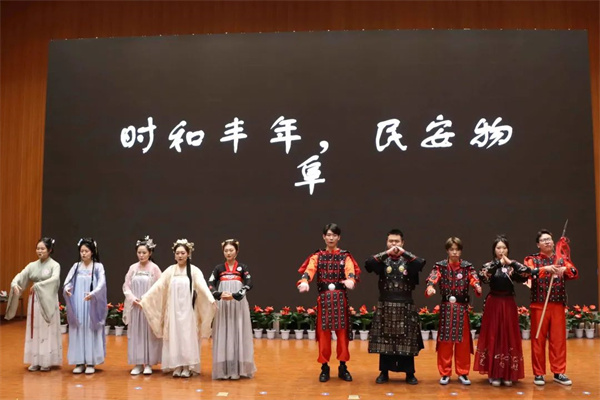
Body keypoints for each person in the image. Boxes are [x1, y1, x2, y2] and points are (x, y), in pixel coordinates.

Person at [140, 239, 216, 378]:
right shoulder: (170, 270)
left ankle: (187, 366)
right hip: (173, 311)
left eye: (183, 253)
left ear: (188, 254)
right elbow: (159, 285)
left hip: (188, 311)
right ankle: (177, 365)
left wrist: (211, 299)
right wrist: (145, 297)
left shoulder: (194, 271)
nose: (180, 255)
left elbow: (202, 285)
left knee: (187, 337)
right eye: (177, 253)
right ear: (174, 255)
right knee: (174, 336)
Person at [297, 223, 361, 382]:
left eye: (334, 235)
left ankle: (343, 366)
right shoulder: (317, 256)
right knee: (324, 335)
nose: (331, 238)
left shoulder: (345, 256)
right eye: (328, 235)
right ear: (324, 237)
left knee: (342, 335)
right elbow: (309, 270)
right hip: (324, 300)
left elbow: (350, 271)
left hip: (340, 299)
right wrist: (304, 281)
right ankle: (324, 367)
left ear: (339, 237)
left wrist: (351, 279)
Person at [364, 228, 426, 385]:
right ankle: (384, 372)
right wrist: (387, 253)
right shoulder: (382, 261)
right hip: (386, 304)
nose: (394, 244)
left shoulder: (409, 261)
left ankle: (409, 373)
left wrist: (404, 253)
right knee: (386, 341)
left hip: (405, 304)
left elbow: (420, 263)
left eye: (397, 241)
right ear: (386, 243)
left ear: (403, 243)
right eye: (391, 241)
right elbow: (368, 264)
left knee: (407, 341)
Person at [524, 229, 578, 386]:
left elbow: (574, 272)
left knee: (558, 340)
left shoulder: (561, 259)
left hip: (557, 306)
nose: (547, 242)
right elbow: (528, 272)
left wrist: (564, 269)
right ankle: (539, 373)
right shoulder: (532, 259)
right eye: (543, 240)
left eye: (549, 239)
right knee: (538, 340)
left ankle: (558, 372)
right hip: (539, 305)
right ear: (538, 244)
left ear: (553, 242)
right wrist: (545, 269)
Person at [474, 235, 530, 386]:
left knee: (508, 334)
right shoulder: (488, 265)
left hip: (508, 303)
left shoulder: (512, 266)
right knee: (494, 335)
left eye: (504, 248)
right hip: (494, 303)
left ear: (508, 249)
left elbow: (526, 274)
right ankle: (494, 373)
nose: (501, 251)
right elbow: (483, 277)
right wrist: (499, 264)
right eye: (498, 248)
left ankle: (508, 373)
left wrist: (511, 263)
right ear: (494, 250)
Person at [425, 237, 482, 385]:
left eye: (457, 249)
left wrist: (476, 286)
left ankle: (463, 372)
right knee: (445, 342)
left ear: (461, 251)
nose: (454, 252)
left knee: (463, 342)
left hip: (461, 308)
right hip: (446, 308)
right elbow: (432, 278)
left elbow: (474, 279)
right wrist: (430, 287)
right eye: (452, 249)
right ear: (447, 251)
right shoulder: (440, 266)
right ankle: (445, 372)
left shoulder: (467, 267)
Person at [6, 237, 62, 371]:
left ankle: (46, 360)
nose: (39, 251)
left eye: (42, 248)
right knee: (35, 328)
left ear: (49, 250)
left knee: (47, 329)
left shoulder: (55, 265)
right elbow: (21, 275)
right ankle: (35, 360)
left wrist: (38, 285)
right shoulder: (32, 265)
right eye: (38, 248)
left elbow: (55, 279)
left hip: (48, 300)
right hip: (35, 301)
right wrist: (15, 284)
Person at [208, 238, 256, 380]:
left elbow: (249, 283)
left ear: (237, 251)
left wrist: (235, 295)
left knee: (238, 330)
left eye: (231, 250)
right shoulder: (219, 268)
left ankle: (239, 368)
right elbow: (210, 283)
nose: (228, 253)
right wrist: (219, 294)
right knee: (224, 330)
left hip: (238, 304)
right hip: (223, 304)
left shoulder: (242, 267)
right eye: (226, 250)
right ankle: (224, 368)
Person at [63, 238, 108, 374]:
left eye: (86, 251)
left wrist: (93, 293)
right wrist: (67, 289)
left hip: (92, 303)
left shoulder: (98, 267)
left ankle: (91, 362)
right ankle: (79, 362)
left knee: (90, 328)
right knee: (78, 327)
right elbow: (68, 282)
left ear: (92, 252)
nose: (83, 253)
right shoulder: (76, 267)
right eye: (81, 251)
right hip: (78, 302)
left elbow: (102, 283)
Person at [122, 235, 162, 375]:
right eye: (139, 252)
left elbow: (160, 286)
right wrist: (133, 298)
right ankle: (138, 363)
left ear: (150, 253)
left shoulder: (154, 268)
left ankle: (149, 363)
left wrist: (147, 299)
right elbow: (126, 286)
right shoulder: (133, 268)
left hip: (148, 307)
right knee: (137, 334)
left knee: (149, 334)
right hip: (135, 307)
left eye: (144, 252)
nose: (141, 255)